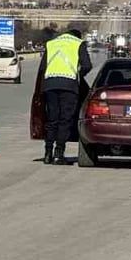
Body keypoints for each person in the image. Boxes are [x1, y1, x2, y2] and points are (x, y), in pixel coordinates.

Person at [36, 28, 91, 165]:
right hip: (69, 85)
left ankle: (47, 153)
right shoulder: (79, 43)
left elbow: (43, 67)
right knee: (65, 120)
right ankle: (59, 154)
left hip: (50, 84)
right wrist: (78, 75)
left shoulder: (52, 43)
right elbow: (87, 65)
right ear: (77, 36)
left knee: (52, 119)